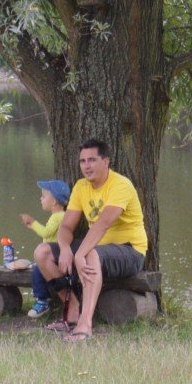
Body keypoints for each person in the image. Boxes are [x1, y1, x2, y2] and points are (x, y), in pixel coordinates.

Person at [34, 137, 149, 341]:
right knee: (42, 253)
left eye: (92, 160)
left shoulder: (121, 185)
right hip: (96, 247)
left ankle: (85, 325)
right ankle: (73, 309)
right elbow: (67, 226)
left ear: (106, 162)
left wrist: (80, 254)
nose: (86, 166)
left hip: (130, 250)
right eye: (83, 161)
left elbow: (102, 224)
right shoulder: (81, 186)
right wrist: (65, 247)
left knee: (91, 254)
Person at [20, 179, 75, 320]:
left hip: (55, 257)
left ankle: (42, 301)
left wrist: (32, 223)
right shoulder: (59, 216)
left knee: (37, 273)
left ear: (54, 202)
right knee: (37, 269)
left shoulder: (58, 217)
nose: (41, 199)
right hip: (53, 255)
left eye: (44, 196)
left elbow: (46, 233)